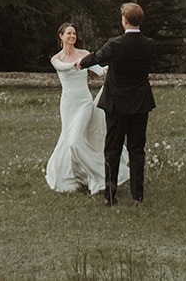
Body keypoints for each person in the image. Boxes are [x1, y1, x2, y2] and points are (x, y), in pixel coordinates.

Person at [78, 2, 157, 205]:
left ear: (124, 21)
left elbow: (97, 57)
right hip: (140, 102)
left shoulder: (115, 44)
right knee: (137, 149)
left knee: (112, 148)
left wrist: (81, 63)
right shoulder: (149, 44)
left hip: (116, 103)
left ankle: (110, 196)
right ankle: (137, 196)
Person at [45, 23, 129, 194]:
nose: (72, 36)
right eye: (68, 33)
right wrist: (76, 65)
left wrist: (112, 67)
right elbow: (62, 67)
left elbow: (99, 71)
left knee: (76, 141)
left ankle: (102, 176)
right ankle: (75, 176)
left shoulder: (84, 54)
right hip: (68, 105)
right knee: (68, 140)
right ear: (61, 36)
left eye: (74, 33)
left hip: (84, 103)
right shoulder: (56, 59)